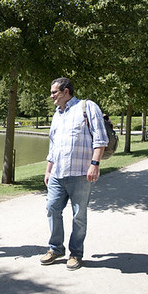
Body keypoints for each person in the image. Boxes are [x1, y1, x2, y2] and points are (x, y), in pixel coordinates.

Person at [41, 77, 108, 271]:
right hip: (57, 173)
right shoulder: (57, 114)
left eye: (54, 92)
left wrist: (94, 164)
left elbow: (100, 138)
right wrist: (48, 170)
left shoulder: (87, 107)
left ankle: (76, 253)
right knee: (52, 209)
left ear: (66, 91)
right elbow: (53, 146)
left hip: (81, 173)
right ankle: (56, 248)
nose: (51, 95)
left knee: (79, 215)